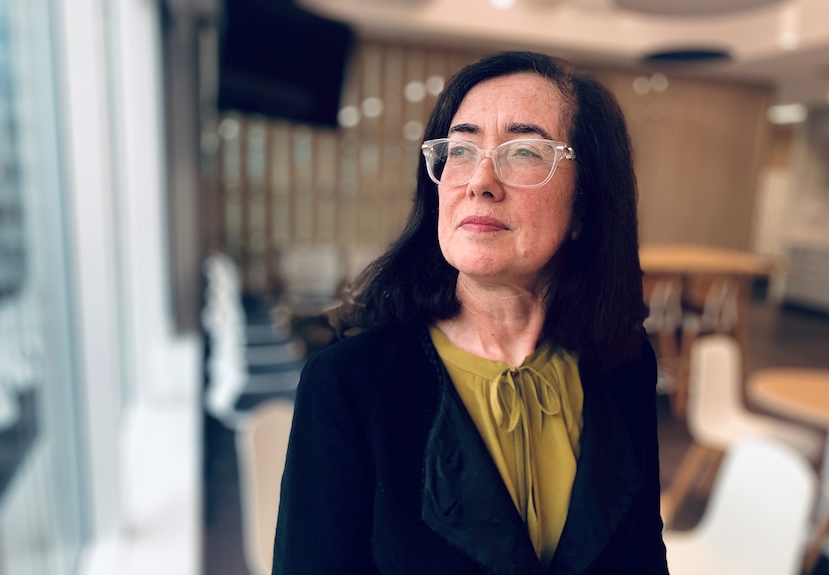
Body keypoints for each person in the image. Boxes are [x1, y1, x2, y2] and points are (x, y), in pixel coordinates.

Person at [272, 50, 669, 574]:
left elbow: (644, 555)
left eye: (524, 150)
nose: (479, 180)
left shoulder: (624, 361)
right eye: (460, 149)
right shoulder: (347, 385)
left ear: (586, 206)